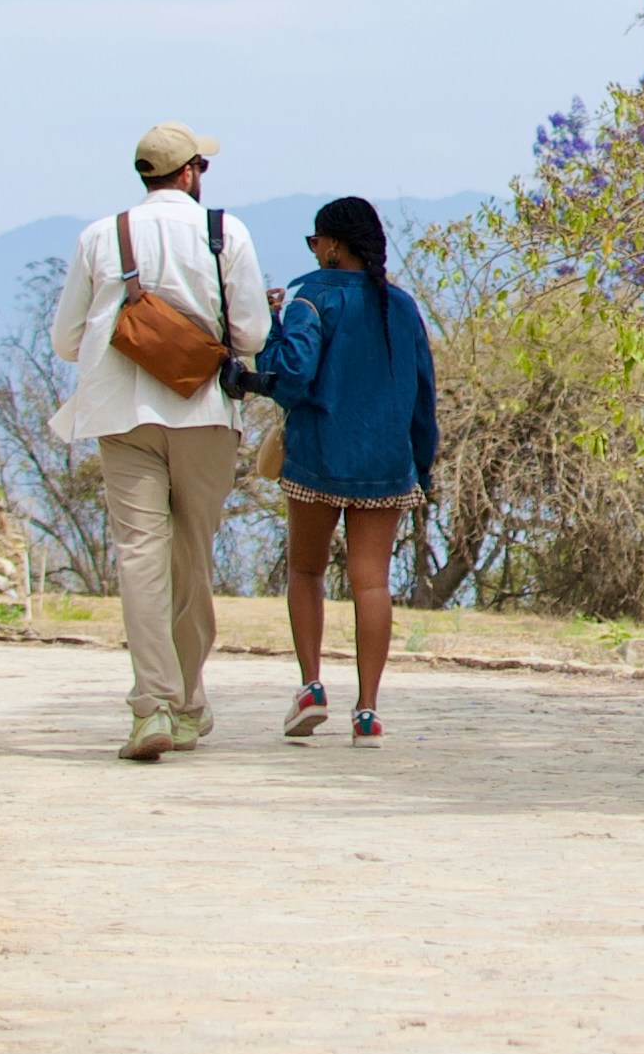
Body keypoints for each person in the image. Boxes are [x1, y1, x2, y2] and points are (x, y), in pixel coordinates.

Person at [47, 122, 269, 761]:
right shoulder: (224, 232)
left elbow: (66, 342)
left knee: (140, 557)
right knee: (191, 556)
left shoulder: (102, 236)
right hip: (202, 411)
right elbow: (249, 334)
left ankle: (152, 708)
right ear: (193, 171)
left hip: (119, 413)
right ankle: (189, 703)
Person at [245, 195, 438, 745]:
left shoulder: (312, 298)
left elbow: (292, 376)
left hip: (317, 458)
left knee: (305, 572)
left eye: (314, 241)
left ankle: (311, 687)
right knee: (371, 583)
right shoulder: (400, 306)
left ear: (331, 244)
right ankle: (368, 712)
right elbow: (424, 397)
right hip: (385, 466)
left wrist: (271, 329)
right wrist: (419, 467)